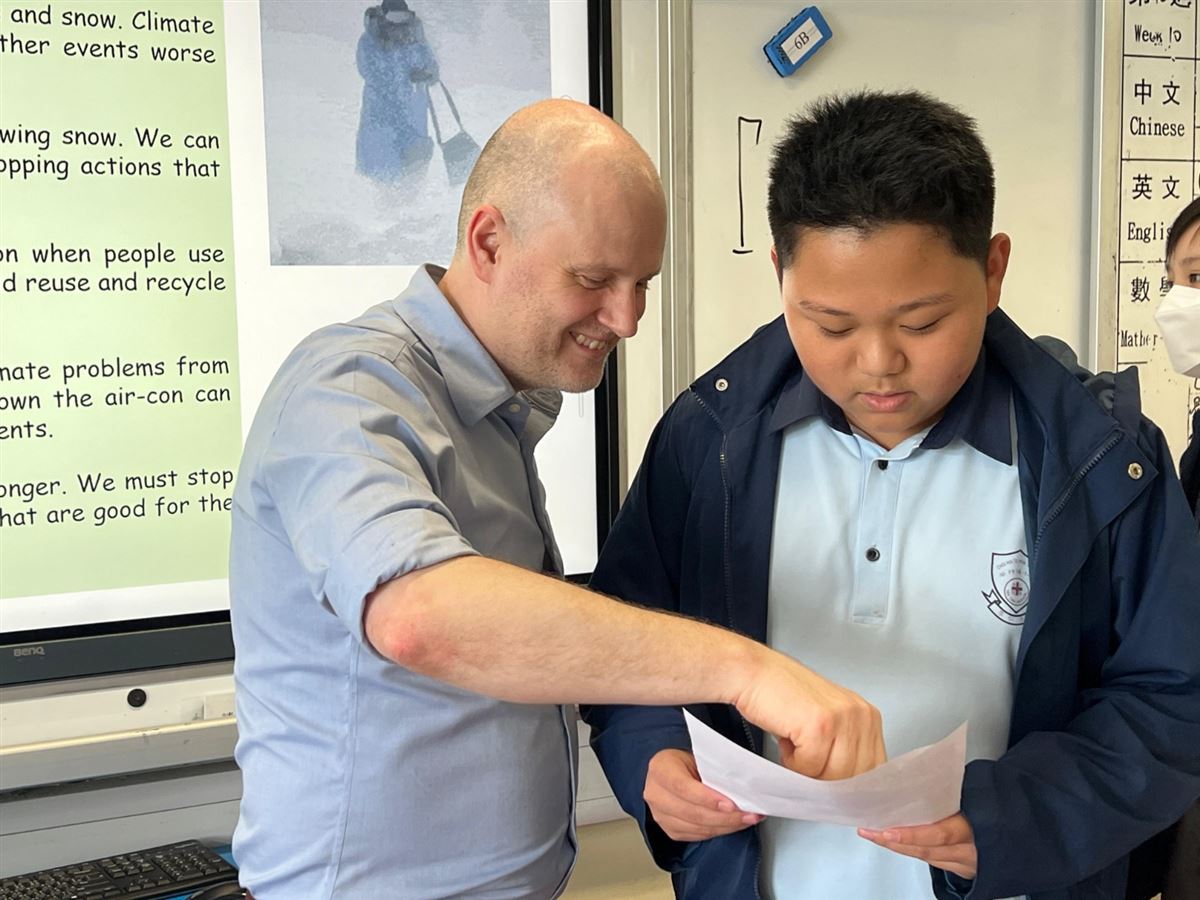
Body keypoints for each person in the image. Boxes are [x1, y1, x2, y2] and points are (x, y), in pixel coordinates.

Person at [229, 98, 887, 899]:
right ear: (488, 241)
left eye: (641, 284)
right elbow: (419, 616)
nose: (627, 319)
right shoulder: (349, 389)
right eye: (594, 280)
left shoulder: (501, 412)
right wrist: (747, 672)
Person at [581, 91, 1200, 900]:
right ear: (780, 275)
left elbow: (1170, 700)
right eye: (832, 325)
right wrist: (654, 758)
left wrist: (1016, 817)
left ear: (993, 271)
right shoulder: (710, 440)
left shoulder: (1101, 456)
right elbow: (627, 646)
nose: (878, 364)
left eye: (921, 323)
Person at [355, 0, 439, 183]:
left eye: (403, 16)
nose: (399, 22)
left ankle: (410, 196)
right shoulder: (370, 40)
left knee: (415, 168)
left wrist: (426, 73)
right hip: (381, 113)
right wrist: (404, 78)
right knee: (385, 169)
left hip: (413, 113)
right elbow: (369, 71)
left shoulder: (416, 39)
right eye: (394, 16)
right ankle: (388, 197)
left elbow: (431, 66)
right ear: (383, 16)